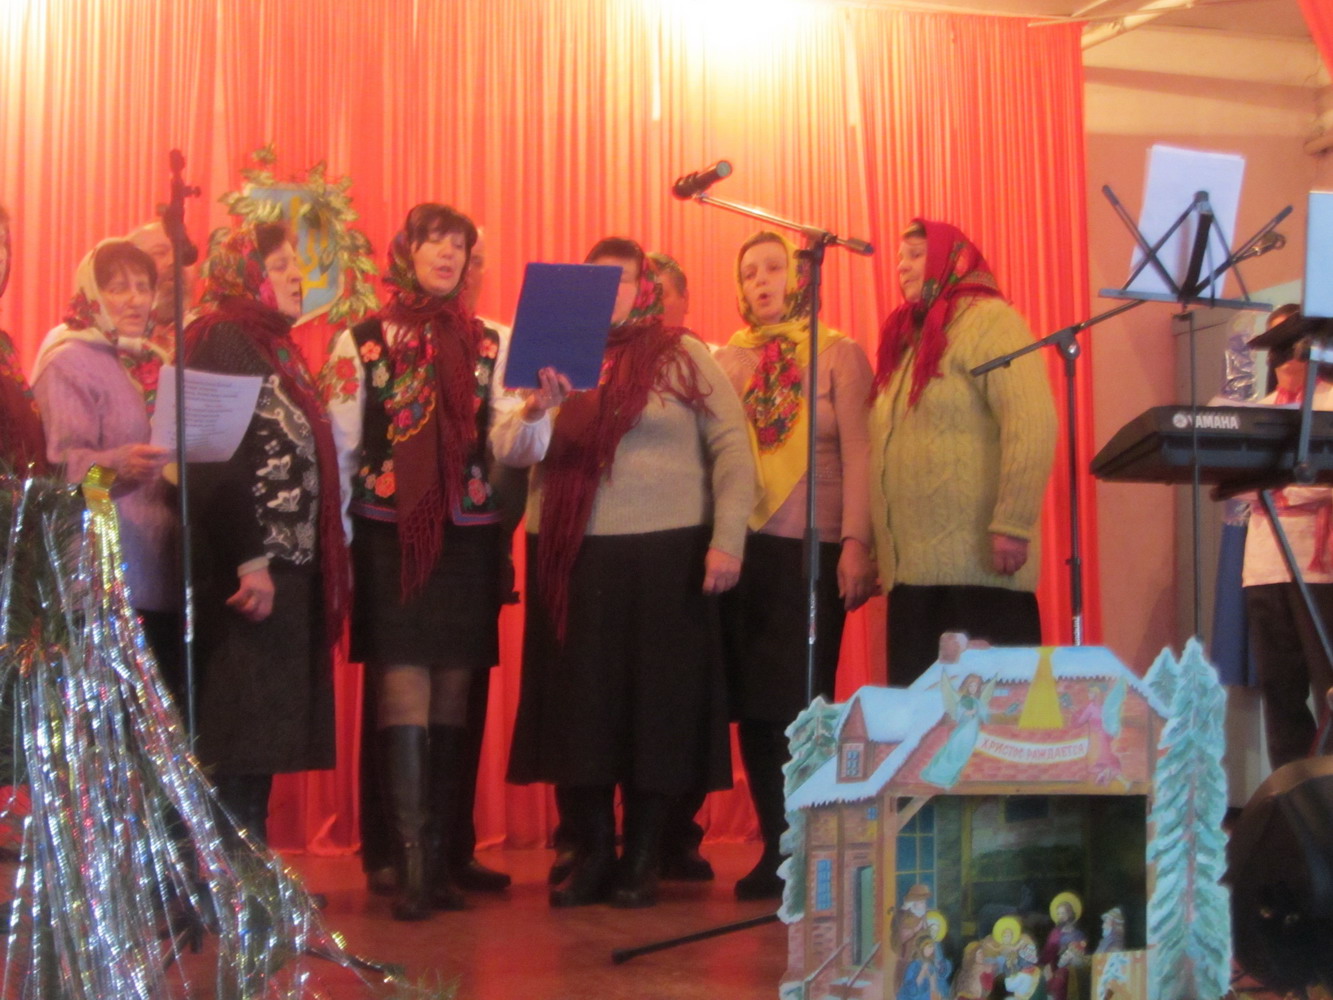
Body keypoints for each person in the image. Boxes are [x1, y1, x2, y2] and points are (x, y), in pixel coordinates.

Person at [496, 237, 754, 909]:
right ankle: (591, 854)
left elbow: (733, 445)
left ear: (644, 289)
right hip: (571, 558)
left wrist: (727, 540)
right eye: (597, 280)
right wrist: (537, 406)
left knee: (655, 712)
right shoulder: (552, 354)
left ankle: (641, 857)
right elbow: (511, 449)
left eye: (623, 280)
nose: (609, 292)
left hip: (666, 559)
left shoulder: (681, 354)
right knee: (579, 713)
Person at [324, 203, 504, 920]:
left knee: (454, 698)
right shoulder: (360, 341)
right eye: (434, 242)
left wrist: (539, 411)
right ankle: (410, 865)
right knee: (403, 693)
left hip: (466, 534)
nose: (447, 255)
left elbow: (511, 442)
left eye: (459, 245)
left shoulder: (491, 342)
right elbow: (341, 449)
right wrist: (340, 546)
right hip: (387, 533)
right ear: (407, 252)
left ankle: (438, 857)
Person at [714, 230, 875, 899]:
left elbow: (863, 453)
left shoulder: (839, 354)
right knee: (754, 706)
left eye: (774, 267)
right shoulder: (728, 358)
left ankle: (814, 846)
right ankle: (776, 846)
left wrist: (857, 541)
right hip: (747, 547)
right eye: (749, 271)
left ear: (800, 276)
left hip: (815, 548)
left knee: (801, 703)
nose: (762, 280)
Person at [182, 222, 349, 848]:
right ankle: (235, 879)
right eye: (278, 265)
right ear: (244, 273)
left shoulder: (273, 346)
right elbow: (210, 459)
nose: (295, 275)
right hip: (247, 566)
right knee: (240, 735)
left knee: (264, 734)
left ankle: (253, 875)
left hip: (287, 563)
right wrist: (249, 559)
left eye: (294, 264)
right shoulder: (219, 337)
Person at [870, 219, 1056, 686]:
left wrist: (1013, 522)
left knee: (990, 719)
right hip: (912, 582)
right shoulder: (910, 340)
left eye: (916, 254)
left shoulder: (992, 322)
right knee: (919, 722)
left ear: (949, 259)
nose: (902, 267)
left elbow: (1032, 422)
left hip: (981, 575)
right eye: (899, 258)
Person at [31, 239, 180, 683]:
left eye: (143, 286)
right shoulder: (68, 361)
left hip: (165, 567)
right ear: (91, 295)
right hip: (101, 576)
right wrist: (117, 466)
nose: (135, 299)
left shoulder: (155, 361)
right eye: (118, 288)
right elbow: (65, 475)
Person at [1241, 305, 1333, 770]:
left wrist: (1283, 490)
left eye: (1291, 345)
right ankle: (1292, 796)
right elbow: (1237, 485)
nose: (1283, 358)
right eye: (1275, 348)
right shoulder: (1257, 411)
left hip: (1321, 569)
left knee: (1328, 686)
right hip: (1264, 564)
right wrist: (1283, 488)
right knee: (1280, 691)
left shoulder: (1330, 402)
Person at [0, 204, 46, 471]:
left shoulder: (3, 346)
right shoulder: (71, 355)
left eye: (2, 242)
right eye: (118, 288)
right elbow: (68, 457)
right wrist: (117, 465)